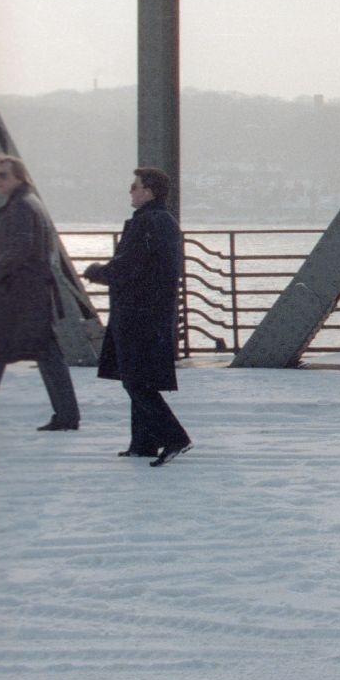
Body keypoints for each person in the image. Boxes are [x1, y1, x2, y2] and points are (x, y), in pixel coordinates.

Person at [83, 167, 193, 467]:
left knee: (135, 380)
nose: (130, 191)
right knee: (139, 376)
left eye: (135, 186)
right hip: (152, 312)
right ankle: (143, 443)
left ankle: (174, 437)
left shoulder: (148, 223)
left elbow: (128, 267)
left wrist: (97, 273)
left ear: (149, 191)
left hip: (139, 313)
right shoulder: (162, 221)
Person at [0, 154, 82, 433]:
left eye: (3, 175)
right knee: (42, 354)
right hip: (30, 296)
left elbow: (20, 249)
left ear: (19, 178)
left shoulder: (20, 207)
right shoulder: (28, 203)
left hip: (16, 298)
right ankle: (68, 416)